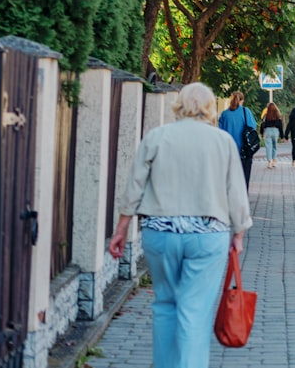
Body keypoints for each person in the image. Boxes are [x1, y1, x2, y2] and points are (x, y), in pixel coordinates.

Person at [108, 82, 252, 368]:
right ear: (211, 107)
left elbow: (135, 184)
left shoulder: (158, 136)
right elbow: (235, 191)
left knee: (165, 305)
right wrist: (239, 232)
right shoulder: (221, 141)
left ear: (179, 105)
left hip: (161, 234)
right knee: (194, 311)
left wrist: (121, 228)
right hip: (208, 236)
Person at [218, 91, 257, 187]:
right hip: (244, 150)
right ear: (242, 100)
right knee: (244, 179)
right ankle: (243, 199)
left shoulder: (224, 114)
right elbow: (252, 127)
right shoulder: (245, 111)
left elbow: (220, 132)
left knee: (229, 179)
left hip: (229, 151)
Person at [261, 102, 283, 169]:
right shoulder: (278, 115)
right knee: (274, 146)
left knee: (268, 147)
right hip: (275, 131)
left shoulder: (266, 115)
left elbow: (262, 125)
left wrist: (262, 133)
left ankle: (269, 161)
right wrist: (282, 136)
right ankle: (274, 161)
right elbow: (280, 126)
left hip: (268, 131)